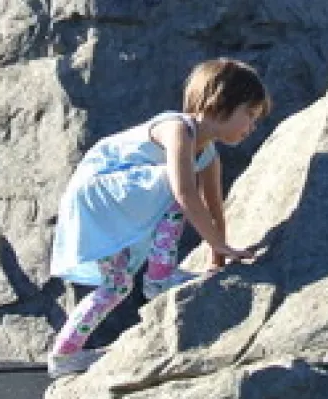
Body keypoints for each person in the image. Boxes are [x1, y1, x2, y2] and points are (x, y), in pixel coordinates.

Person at [46, 58, 271, 378]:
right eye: (249, 114)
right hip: (101, 192)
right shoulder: (177, 128)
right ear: (220, 102)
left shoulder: (208, 155)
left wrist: (218, 262)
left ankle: (64, 355)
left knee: (117, 285)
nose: (251, 126)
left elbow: (215, 208)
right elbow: (184, 194)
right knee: (177, 181)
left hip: (111, 206)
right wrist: (219, 244)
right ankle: (159, 278)